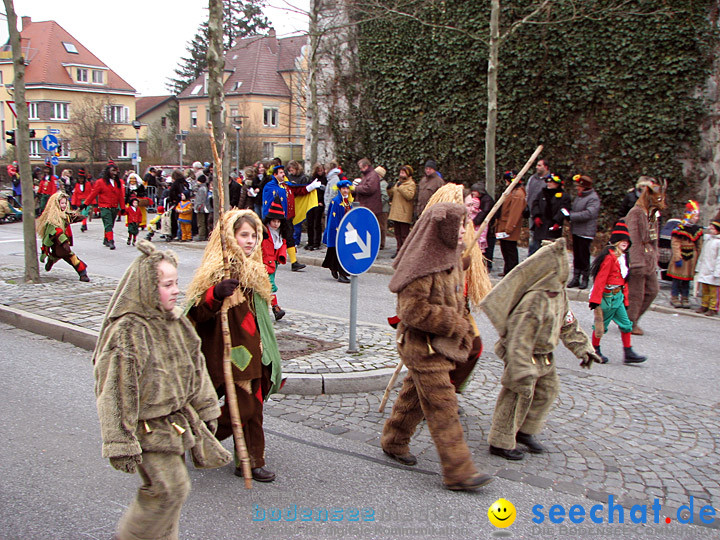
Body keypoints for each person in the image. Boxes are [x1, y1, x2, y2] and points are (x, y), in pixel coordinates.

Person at [94, 241, 231, 540]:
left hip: (177, 424)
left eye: (176, 283)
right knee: (169, 489)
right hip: (146, 427)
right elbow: (116, 390)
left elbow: (196, 369)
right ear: (146, 286)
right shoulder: (130, 330)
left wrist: (207, 408)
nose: (176, 290)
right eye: (167, 284)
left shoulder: (177, 322)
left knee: (172, 496)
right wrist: (119, 441)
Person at [381, 202, 493, 491]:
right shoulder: (419, 266)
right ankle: (458, 471)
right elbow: (412, 310)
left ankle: (394, 440)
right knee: (443, 403)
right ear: (440, 228)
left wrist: (467, 263)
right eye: (457, 225)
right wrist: (453, 323)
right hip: (421, 346)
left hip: (440, 344)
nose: (462, 230)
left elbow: (453, 274)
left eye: (463, 224)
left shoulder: (450, 253)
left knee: (415, 395)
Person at [186, 209, 284, 483]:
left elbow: (262, 315)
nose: (250, 240)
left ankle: (251, 461)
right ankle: (200, 436)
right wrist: (215, 295)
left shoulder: (256, 271)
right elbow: (194, 313)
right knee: (244, 408)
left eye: (254, 235)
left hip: (255, 353)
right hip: (230, 354)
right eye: (243, 235)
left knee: (254, 408)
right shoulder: (217, 271)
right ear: (230, 236)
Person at [480, 238, 600, 460]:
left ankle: (525, 430)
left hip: (544, 355)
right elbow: (519, 338)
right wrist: (521, 370)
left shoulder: (559, 295)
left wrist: (584, 348)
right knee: (516, 396)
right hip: (523, 356)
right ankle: (501, 440)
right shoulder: (534, 300)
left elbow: (567, 323)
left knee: (547, 390)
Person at [588, 220, 647, 364]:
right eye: (622, 241)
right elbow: (600, 279)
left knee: (627, 325)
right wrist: (595, 300)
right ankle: (594, 350)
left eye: (627, 242)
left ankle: (628, 352)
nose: (625, 244)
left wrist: (625, 300)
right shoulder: (609, 258)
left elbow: (623, 282)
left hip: (618, 297)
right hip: (607, 298)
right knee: (601, 327)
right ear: (615, 242)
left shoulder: (623, 258)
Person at [625, 178, 666, 335]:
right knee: (636, 293)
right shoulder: (635, 213)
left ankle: (629, 318)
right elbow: (633, 238)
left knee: (653, 290)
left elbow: (655, 238)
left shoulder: (653, 213)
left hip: (649, 258)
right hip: (638, 258)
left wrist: (655, 257)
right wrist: (636, 262)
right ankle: (630, 322)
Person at [36, 191, 89, 282]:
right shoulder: (53, 219)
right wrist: (64, 242)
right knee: (71, 257)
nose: (64, 205)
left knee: (60, 254)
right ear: (56, 204)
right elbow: (57, 231)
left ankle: (52, 259)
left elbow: (69, 217)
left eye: (65, 203)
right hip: (58, 243)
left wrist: (79, 217)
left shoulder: (64, 215)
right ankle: (82, 273)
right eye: (62, 203)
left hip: (62, 243)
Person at [262, 165, 306, 271]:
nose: (283, 175)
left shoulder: (284, 186)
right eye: (281, 173)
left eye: (283, 172)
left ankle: (294, 262)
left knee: (289, 237)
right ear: (275, 175)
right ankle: (269, 259)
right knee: (270, 239)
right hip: (273, 218)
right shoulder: (270, 186)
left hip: (284, 217)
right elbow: (269, 200)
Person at [565, 174, 601, 289]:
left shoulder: (593, 198)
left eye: (579, 186)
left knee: (584, 256)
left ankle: (585, 278)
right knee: (577, 255)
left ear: (584, 186)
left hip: (586, 232)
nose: (577, 188)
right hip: (577, 230)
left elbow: (589, 214)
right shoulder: (580, 197)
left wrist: (572, 216)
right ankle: (576, 277)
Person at [667, 200, 703, 309]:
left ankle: (685, 297)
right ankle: (674, 297)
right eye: (695, 216)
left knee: (686, 280)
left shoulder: (696, 230)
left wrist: (697, 259)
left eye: (697, 216)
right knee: (677, 280)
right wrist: (677, 256)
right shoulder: (680, 228)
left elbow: (699, 245)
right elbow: (675, 243)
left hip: (691, 258)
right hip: (681, 257)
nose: (696, 218)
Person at [82, 161, 125, 250]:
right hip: (104, 207)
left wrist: (122, 207)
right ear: (108, 171)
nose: (115, 173)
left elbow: (121, 196)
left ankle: (106, 239)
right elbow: (93, 194)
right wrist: (85, 204)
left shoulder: (118, 182)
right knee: (108, 224)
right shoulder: (100, 182)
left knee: (110, 224)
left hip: (114, 207)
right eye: (113, 171)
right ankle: (111, 241)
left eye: (116, 171)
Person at [262, 198, 289, 320]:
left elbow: (283, 244)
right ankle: (275, 307)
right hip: (264, 262)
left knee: (265, 285)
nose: (276, 224)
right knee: (269, 284)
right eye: (274, 221)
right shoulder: (263, 231)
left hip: (274, 262)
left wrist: (281, 255)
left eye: (278, 221)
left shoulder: (280, 233)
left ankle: (268, 307)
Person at [495, 170, 526, 276]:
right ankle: (507, 270)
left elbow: (515, 213)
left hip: (508, 226)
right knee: (505, 249)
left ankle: (512, 272)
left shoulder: (518, 194)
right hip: (503, 225)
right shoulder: (511, 192)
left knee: (510, 249)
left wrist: (509, 228)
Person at [322, 179, 353, 283]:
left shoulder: (348, 201)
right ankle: (341, 274)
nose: (345, 190)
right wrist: (335, 231)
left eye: (347, 188)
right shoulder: (336, 201)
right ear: (340, 189)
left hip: (346, 230)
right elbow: (333, 218)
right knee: (338, 252)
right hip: (338, 230)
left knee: (341, 252)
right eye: (343, 188)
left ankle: (335, 268)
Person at [286, 160, 321, 249]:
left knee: (298, 222)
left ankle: (296, 240)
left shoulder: (303, 178)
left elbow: (302, 190)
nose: (291, 172)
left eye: (292, 170)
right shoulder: (289, 177)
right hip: (291, 202)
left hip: (300, 202)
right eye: (290, 171)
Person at [530, 174, 570, 244]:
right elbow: (535, 204)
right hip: (540, 225)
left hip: (553, 227)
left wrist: (557, 221)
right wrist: (536, 216)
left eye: (551, 182)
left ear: (558, 183)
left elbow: (564, 209)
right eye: (548, 182)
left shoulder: (564, 196)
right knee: (536, 248)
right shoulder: (542, 193)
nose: (549, 184)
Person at [388, 165, 416, 257]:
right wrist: (389, 189)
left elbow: (409, 196)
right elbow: (392, 194)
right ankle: (398, 250)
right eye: (401, 172)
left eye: (403, 172)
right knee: (397, 233)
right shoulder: (398, 182)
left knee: (404, 234)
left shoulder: (411, 184)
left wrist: (400, 188)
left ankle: (404, 252)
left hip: (404, 213)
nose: (401, 174)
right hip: (396, 212)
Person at [695, 213, 720, 316]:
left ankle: (713, 307)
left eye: (713, 228)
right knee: (704, 289)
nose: (710, 230)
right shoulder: (708, 240)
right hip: (705, 268)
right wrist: (699, 267)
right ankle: (704, 305)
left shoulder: (718, 242)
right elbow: (702, 255)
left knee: (713, 291)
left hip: (713, 269)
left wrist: (717, 272)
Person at [525, 158, 551, 255]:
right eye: (537, 165)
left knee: (543, 238)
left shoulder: (550, 180)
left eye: (540, 165)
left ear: (546, 167)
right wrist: (526, 205)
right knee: (532, 236)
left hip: (544, 215)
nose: (537, 167)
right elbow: (527, 193)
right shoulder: (532, 179)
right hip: (532, 212)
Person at [305, 162, 327, 250]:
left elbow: (324, 192)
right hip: (311, 202)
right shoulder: (312, 178)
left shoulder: (324, 179)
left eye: (321, 170)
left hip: (319, 202)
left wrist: (321, 201)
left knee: (316, 223)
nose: (320, 172)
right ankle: (310, 241)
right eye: (319, 170)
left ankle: (316, 242)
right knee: (310, 223)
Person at [353, 157, 382, 222]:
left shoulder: (372, 175)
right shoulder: (367, 175)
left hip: (370, 207)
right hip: (367, 206)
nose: (360, 170)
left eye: (361, 168)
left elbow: (370, 189)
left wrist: (356, 188)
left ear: (366, 166)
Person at [70, 168, 91, 233]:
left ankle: (83, 225)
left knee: (84, 213)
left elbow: (90, 193)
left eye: (82, 178)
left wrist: (93, 202)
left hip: (86, 202)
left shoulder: (88, 184)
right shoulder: (77, 185)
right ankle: (85, 224)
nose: (80, 180)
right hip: (79, 202)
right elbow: (75, 194)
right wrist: (73, 203)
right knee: (81, 214)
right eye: (79, 178)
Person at [194, 174, 210, 240]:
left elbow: (201, 199)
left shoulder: (201, 189)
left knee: (201, 222)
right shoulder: (205, 188)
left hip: (200, 208)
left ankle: (201, 235)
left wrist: (198, 207)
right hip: (203, 207)